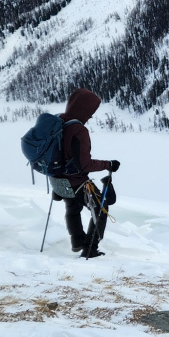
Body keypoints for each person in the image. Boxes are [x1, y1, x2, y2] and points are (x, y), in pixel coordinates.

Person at [53, 88, 119, 258]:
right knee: (101, 209)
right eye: (90, 111)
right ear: (83, 109)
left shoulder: (59, 122)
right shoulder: (79, 130)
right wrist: (108, 164)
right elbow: (84, 164)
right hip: (77, 181)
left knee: (72, 207)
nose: (90, 116)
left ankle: (77, 241)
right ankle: (90, 249)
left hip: (58, 179)